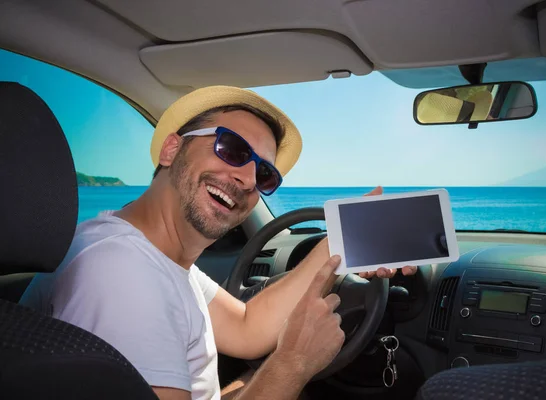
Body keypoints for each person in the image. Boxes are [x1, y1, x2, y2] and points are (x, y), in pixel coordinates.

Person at [20, 86, 417, 400]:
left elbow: (247, 328)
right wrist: (293, 364)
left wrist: (340, 242)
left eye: (264, 174)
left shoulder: (159, 259)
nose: (247, 179)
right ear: (172, 148)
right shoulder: (121, 273)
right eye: (232, 149)